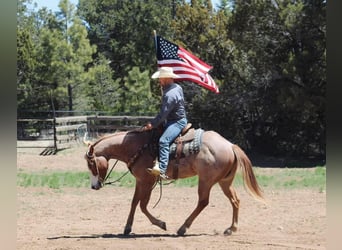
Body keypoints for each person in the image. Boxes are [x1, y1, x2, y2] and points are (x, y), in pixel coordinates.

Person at [143, 67, 187, 179]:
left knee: (163, 141)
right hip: (174, 120)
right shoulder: (177, 87)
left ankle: (162, 170)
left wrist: (152, 124)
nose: (159, 81)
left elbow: (163, 115)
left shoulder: (170, 94)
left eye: (160, 78)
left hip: (176, 122)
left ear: (167, 78)